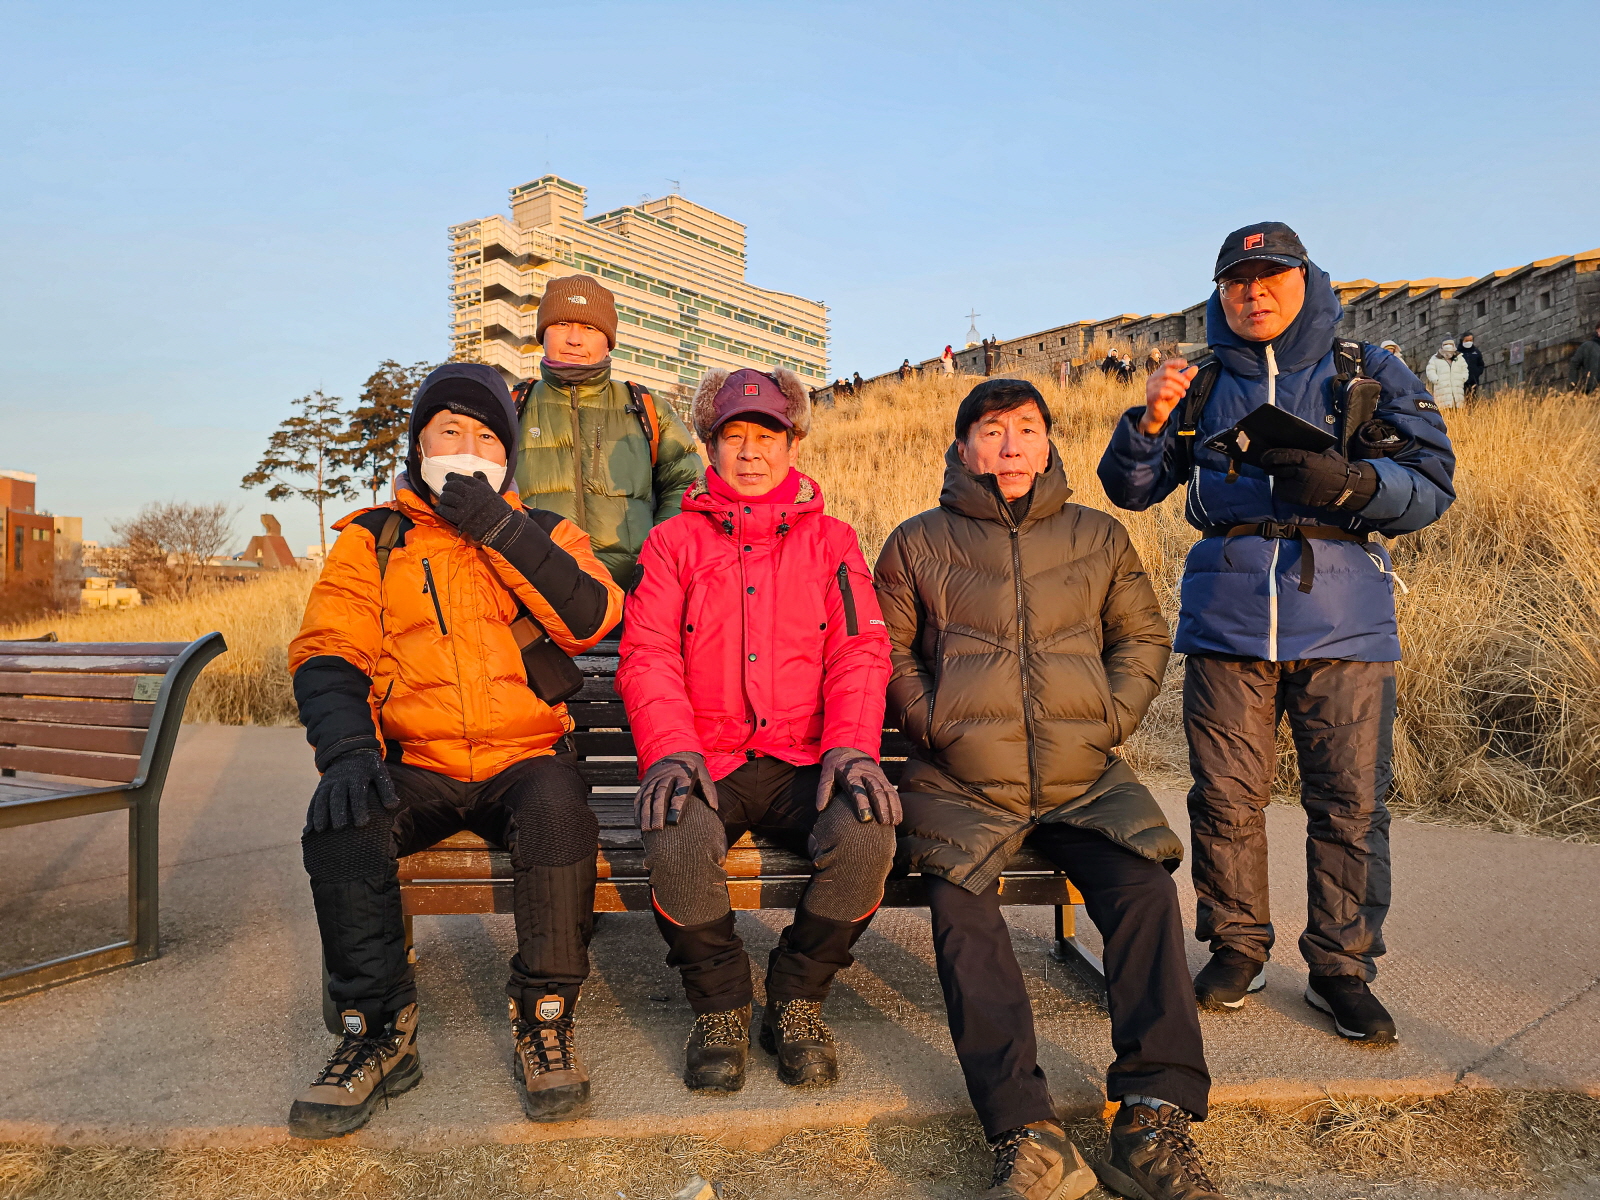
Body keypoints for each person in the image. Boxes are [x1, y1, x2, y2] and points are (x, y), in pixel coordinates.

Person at [1098, 221, 1455, 1047]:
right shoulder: (1199, 381)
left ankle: (1342, 969)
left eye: (1270, 277)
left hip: (1345, 620)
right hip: (1226, 615)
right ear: (1220, 293)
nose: (1252, 293)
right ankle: (1236, 947)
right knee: (1224, 796)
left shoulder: (1366, 370)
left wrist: (1353, 482)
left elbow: (1433, 484)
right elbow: (1131, 489)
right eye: (1237, 281)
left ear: (1305, 278)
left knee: (1350, 803)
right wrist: (1148, 422)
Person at [876, 378, 1227, 1200]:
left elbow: (1142, 635)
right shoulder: (917, 542)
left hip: (1082, 775)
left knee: (1144, 890)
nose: (1010, 445)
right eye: (992, 430)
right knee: (962, 911)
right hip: (962, 780)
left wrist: (1107, 718)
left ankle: (1151, 1118)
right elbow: (885, 650)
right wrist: (937, 723)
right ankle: (1026, 1133)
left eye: (1027, 429)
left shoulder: (1097, 535)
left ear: (1047, 444)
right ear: (963, 447)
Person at [286, 364, 624, 1138]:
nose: (466, 447)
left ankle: (545, 1016)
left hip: (524, 757)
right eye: (449, 431)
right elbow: (329, 649)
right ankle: (376, 1032)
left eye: (485, 436)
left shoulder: (545, 529)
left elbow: (591, 615)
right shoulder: (374, 540)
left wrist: (499, 528)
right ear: (418, 444)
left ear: (507, 455)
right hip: (417, 761)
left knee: (557, 815)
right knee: (343, 826)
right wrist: (347, 751)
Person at [616, 368, 897, 1095]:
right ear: (710, 447)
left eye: (766, 436)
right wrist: (670, 750)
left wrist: (851, 747)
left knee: (867, 837)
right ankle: (721, 1007)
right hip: (707, 758)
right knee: (676, 837)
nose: (749, 452)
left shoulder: (833, 542)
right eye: (733, 436)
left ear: (792, 444)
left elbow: (860, 650)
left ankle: (798, 996)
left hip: (806, 759)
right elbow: (648, 652)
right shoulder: (671, 543)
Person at [516, 275, 703, 586]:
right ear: (542, 334)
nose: (574, 339)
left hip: (634, 594)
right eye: (561, 324)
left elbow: (687, 486)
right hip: (534, 595)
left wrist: (659, 556)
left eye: (589, 328)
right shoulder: (512, 407)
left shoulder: (647, 408)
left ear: (608, 340)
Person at [1425, 339, 1470, 408]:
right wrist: (1436, 380)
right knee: (1444, 408)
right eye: (1446, 345)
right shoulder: (1435, 358)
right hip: (1442, 389)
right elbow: (1430, 370)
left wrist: (1463, 378)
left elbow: (1464, 369)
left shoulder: (1459, 358)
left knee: (1458, 408)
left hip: (1457, 388)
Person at [1570, 320, 1600, 393]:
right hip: (1591, 389)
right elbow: (1574, 364)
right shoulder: (1587, 346)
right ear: (1597, 330)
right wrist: (1574, 385)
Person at [1458, 331, 1485, 399]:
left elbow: (1481, 364)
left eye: (1470, 340)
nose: (1469, 342)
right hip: (1460, 382)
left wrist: (1477, 372)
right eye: (1466, 340)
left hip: (1473, 381)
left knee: (1473, 400)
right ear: (1462, 341)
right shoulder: (1457, 352)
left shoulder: (1476, 352)